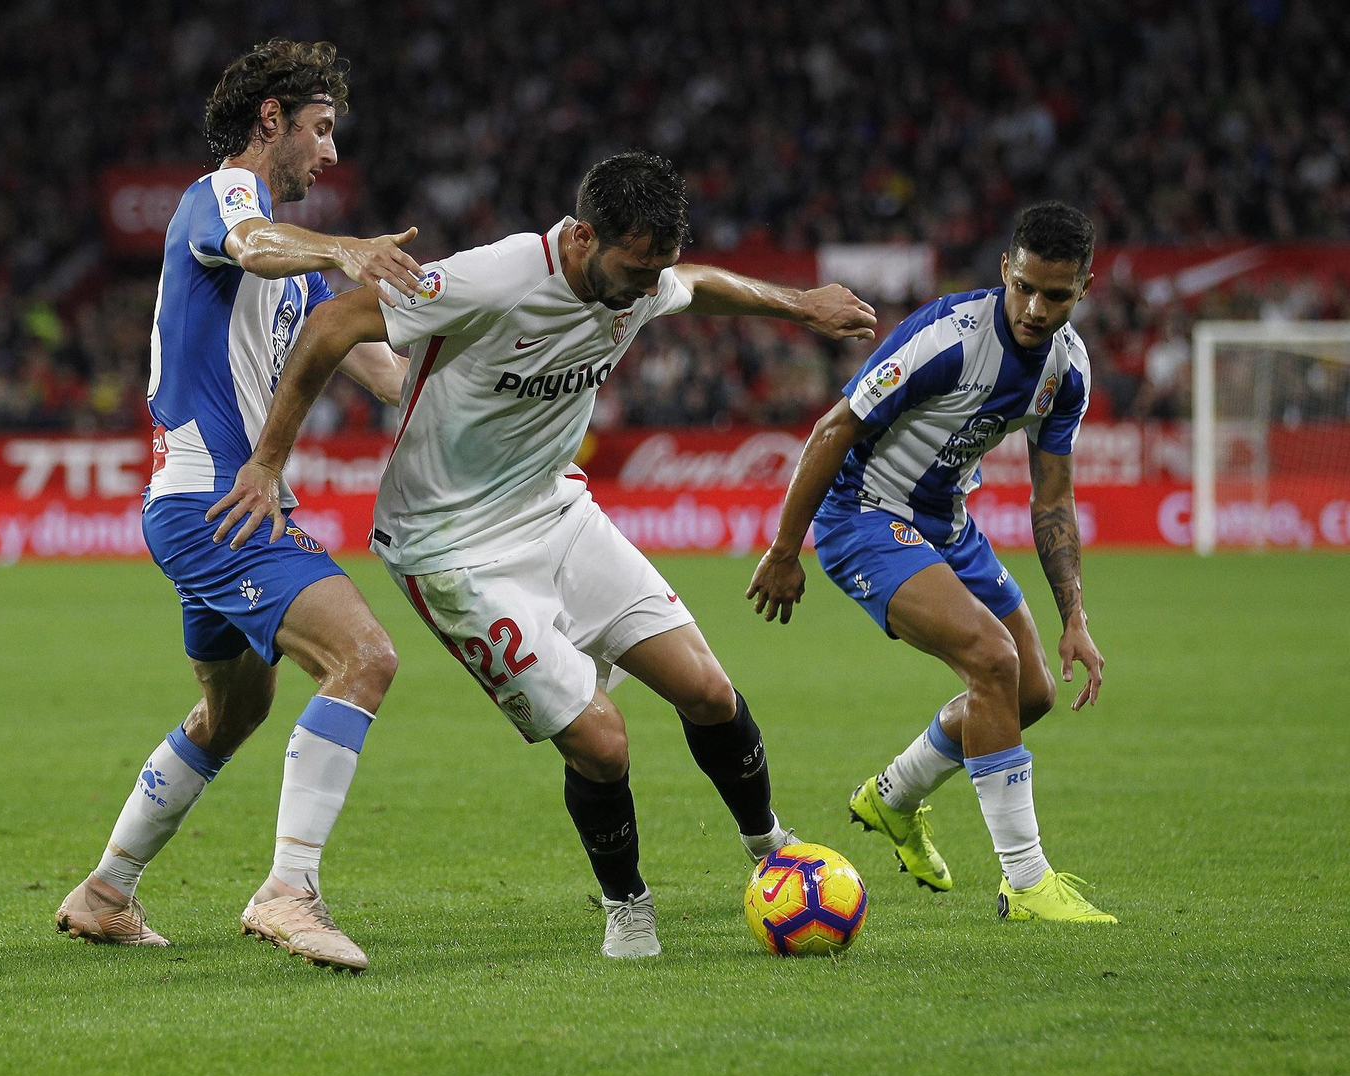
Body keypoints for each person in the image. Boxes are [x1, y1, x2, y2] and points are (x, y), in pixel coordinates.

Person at [203, 151, 878, 958]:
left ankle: (770, 847)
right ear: (585, 237)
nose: (648, 285)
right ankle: (628, 906)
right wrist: (268, 461)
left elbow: (697, 285)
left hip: (556, 511)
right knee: (602, 741)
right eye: (636, 267)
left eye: (656, 267)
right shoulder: (496, 277)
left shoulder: (642, 278)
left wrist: (801, 305)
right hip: (450, 545)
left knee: (706, 690)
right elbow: (333, 324)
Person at [55, 39, 428, 971]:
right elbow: (252, 244)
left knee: (233, 711)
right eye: (320, 129)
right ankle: (288, 891)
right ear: (272, 120)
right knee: (364, 658)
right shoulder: (221, 198)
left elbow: (391, 376)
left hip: (215, 509)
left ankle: (105, 892)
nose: (331, 152)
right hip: (215, 504)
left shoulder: (298, 273)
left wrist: (508, 343)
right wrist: (345, 247)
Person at [746, 200, 1116, 923]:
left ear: (1085, 288)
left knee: (1030, 692)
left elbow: (1052, 499)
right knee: (993, 661)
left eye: (1056, 295)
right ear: (1005, 269)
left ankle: (892, 798)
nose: (1036, 309)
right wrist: (785, 549)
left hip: (947, 523)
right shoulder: (948, 338)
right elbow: (834, 427)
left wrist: (1075, 615)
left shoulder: (1068, 369)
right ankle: (1026, 881)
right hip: (863, 516)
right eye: (1024, 288)